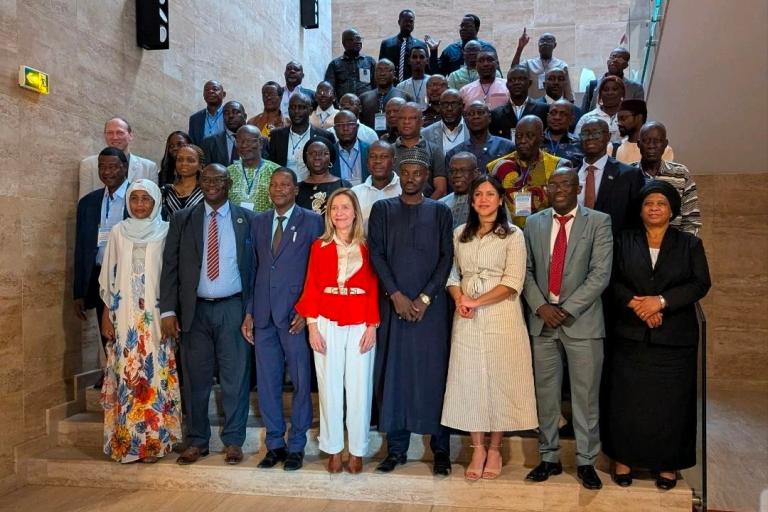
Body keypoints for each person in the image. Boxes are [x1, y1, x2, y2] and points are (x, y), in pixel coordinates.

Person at [602, 180, 710, 490]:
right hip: (630, 334)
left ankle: (668, 463)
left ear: (672, 210)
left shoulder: (689, 244)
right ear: (640, 209)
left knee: (671, 403)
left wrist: (661, 302)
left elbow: (700, 283)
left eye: (661, 204)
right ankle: (623, 458)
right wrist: (638, 305)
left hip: (674, 338)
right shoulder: (625, 240)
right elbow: (612, 279)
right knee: (626, 400)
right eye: (649, 203)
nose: (654, 208)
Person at [442, 175, 538, 480]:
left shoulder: (513, 235)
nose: (483, 200)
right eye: (478, 195)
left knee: (501, 378)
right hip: (466, 314)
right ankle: (478, 447)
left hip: (501, 315)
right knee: (470, 380)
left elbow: (513, 282)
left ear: (500, 199)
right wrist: (460, 299)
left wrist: (476, 302)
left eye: (490, 194)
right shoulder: (460, 234)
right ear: (471, 202)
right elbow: (452, 275)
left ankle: (495, 448)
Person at [522, 168, 613, 490]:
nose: (559, 189)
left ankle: (587, 461)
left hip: (582, 323)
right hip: (543, 322)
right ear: (546, 189)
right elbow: (526, 270)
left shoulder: (599, 222)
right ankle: (549, 458)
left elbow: (600, 275)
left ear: (578, 188)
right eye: (553, 184)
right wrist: (541, 306)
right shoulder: (533, 223)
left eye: (566, 184)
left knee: (585, 396)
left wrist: (566, 309)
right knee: (545, 395)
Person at [160, 163, 256, 466]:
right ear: (199, 182)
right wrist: (168, 310)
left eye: (218, 179)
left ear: (229, 183)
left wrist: (251, 310)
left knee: (235, 377)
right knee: (196, 379)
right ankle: (198, 441)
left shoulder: (247, 219)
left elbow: (254, 269)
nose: (212, 183)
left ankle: (233, 441)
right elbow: (171, 267)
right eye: (206, 179)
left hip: (233, 307)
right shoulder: (182, 219)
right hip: (194, 310)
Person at [368, 147, 454, 476]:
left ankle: (441, 450)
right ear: (398, 175)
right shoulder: (382, 210)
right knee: (396, 376)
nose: (411, 178)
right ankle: (397, 449)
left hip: (430, 313)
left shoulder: (440, 212)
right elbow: (376, 254)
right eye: (406, 173)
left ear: (427, 178)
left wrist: (425, 298)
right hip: (394, 309)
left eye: (418, 173)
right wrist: (396, 295)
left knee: (434, 376)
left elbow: (447, 258)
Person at [241, 168, 324, 472]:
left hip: (296, 316)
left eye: (284, 185)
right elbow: (256, 269)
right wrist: (249, 310)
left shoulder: (313, 221)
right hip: (263, 315)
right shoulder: (259, 222)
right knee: (267, 383)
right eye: (274, 185)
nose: (278, 189)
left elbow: (319, 271)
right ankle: (275, 443)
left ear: (295, 189)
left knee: (302, 383)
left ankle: (297, 445)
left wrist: (307, 309)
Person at [295, 189, 380, 474]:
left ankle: (357, 449)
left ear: (355, 211)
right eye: (334, 208)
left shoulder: (368, 246)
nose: (340, 213)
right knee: (329, 385)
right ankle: (333, 448)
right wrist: (312, 327)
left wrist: (372, 325)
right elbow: (312, 286)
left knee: (359, 387)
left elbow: (373, 288)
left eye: (345, 207)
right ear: (329, 214)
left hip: (359, 320)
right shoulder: (319, 246)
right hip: (326, 319)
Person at [99, 179, 182, 463]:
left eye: (145, 199)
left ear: (156, 201)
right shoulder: (118, 232)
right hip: (125, 319)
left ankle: (155, 444)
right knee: (127, 374)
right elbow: (108, 278)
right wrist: (106, 315)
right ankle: (128, 444)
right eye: (134, 199)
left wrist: (173, 314)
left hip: (156, 319)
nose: (139, 205)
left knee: (155, 374)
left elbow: (172, 276)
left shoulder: (166, 230)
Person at [74, 148, 130, 385]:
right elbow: (81, 248)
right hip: (99, 275)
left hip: (130, 274)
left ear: (125, 168)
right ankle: (112, 374)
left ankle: (130, 375)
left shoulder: (138, 197)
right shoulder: (88, 203)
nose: (107, 172)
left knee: (129, 328)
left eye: (113, 166)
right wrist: (78, 291)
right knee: (104, 329)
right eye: (102, 167)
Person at [487, 116, 571, 227]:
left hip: (546, 232)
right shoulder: (497, 167)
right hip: (507, 234)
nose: (522, 141)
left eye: (529, 136)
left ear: (542, 138)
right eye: (519, 136)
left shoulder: (558, 166)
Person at [577, 117, 645, 236]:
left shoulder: (629, 175)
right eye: (585, 134)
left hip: (613, 246)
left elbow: (637, 219)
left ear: (608, 137)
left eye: (596, 133)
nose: (590, 137)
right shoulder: (570, 174)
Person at [633, 122, 700, 235]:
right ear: (639, 144)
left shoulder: (681, 173)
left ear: (665, 144)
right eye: (646, 141)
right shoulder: (628, 174)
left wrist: (682, 248)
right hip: (635, 245)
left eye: (657, 141)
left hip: (674, 246)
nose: (651, 146)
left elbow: (691, 220)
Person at [79, 117, 158, 199]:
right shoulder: (88, 165)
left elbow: (154, 203)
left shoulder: (149, 168)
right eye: (110, 133)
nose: (115, 137)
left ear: (130, 136)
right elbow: (84, 203)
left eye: (120, 132)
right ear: (105, 136)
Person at [268, 93, 336, 182]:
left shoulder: (325, 136)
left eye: (301, 107)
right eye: (293, 107)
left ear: (310, 110)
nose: (296, 111)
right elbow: (271, 166)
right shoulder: (276, 135)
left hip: (314, 187)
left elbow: (332, 167)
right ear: (288, 110)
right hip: (284, 189)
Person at [394, 102, 448, 199]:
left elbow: (441, 189)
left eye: (412, 118)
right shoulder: (388, 151)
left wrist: (425, 207)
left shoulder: (434, 150)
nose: (406, 122)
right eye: (402, 118)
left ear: (422, 122)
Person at [446, 101, 515, 174]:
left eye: (480, 113)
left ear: (489, 118)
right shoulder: (454, 153)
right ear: (465, 120)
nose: (476, 116)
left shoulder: (508, 147)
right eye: (471, 114)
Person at [227, 125, 280, 212]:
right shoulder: (228, 172)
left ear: (261, 143)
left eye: (249, 141)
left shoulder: (276, 172)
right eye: (239, 141)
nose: (244, 145)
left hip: (265, 224)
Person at [425, 14, 498, 77]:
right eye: (461, 26)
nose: (463, 29)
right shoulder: (451, 49)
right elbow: (438, 75)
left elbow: (497, 75)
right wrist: (433, 52)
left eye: (467, 26)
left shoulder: (488, 49)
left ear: (477, 29)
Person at [351, 140, 402, 228]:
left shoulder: (405, 189)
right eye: (373, 156)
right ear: (367, 161)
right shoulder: (355, 193)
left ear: (394, 161)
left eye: (384, 156)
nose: (378, 161)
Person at [490, 65, 549, 141]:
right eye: (512, 80)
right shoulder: (496, 113)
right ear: (507, 85)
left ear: (529, 83)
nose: (516, 83)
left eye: (521, 79)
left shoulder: (543, 109)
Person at [512, 30, 574, 102]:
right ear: (538, 44)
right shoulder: (528, 64)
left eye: (549, 40)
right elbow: (514, 71)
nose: (545, 43)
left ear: (555, 45)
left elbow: (568, 92)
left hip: (555, 108)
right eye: (542, 41)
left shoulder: (562, 66)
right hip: (534, 107)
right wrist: (520, 48)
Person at [582, 47, 645, 112]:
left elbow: (639, 116)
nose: (615, 60)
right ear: (607, 61)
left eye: (620, 59)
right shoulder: (593, 86)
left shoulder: (635, 89)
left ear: (625, 65)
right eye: (612, 57)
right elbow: (584, 113)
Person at [297, 140, 351, 216]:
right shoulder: (296, 189)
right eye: (312, 153)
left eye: (323, 153)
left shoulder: (343, 185)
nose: (317, 157)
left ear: (330, 158)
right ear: (306, 157)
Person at [359, 60, 414, 133]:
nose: (382, 73)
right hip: (370, 141)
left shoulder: (405, 97)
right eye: (379, 70)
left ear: (394, 74)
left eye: (387, 70)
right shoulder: (363, 98)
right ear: (374, 73)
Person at [378, 9, 428, 83]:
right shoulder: (387, 44)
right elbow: (381, 67)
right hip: (391, 86)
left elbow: (427, 69)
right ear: (399, 22)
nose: (408, 24)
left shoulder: (421, 45)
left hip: (413, 85)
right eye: (405, 21)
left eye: (411, 21)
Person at [325, 29, 377, 98]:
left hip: (367, 105)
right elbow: (329, 88)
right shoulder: (334, 64)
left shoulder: (370, 61)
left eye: (359, 39)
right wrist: (337, 105)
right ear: (344, 43)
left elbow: (376, 86)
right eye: (355, 39)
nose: (359, 42)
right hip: (344, 106)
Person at [575, 76, 625, 143]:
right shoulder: (586, 118)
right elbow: (576, 143)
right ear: (600, 94)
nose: (610, 93)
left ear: (622, 93)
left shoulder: (629, 118)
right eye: (606, 90)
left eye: (615, 89)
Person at [161, 144, 205, 220]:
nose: (184, 163)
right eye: (180, 159)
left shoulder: (207, 192)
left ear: (200, 166)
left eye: (190, 160)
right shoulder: (165, 191)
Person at [421, 89, 468, 159]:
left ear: (463, 106)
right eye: (445, 104)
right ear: (439, 107)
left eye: (454, 104)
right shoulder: (425, 134)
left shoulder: (471, 129)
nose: (449, 108)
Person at [201, 100, 247, 167]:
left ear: (245, 116)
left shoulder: (258, 141)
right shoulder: (209, 142)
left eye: (235, 112)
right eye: (226, 113)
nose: (230, 116)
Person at [440, 152, 479, 228]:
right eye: (452, 171)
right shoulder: (441, 205)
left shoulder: (487, 204)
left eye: (463, 170)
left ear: (476, 173)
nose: (457, 175)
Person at [331, 110, 369, 186]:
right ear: (335, 129)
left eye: (350, 124)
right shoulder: (329, 153)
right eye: (340, 125)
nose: (345, 128)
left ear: (357, 127)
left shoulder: (369, 150)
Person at [541, 99, 583, 166]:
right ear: (547, 116)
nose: (557, 117)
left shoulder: (580, 145)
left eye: (563, 114)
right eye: (553, 113)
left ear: (571, 120)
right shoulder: (536, 141)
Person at [188, 80, 226, 146]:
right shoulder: (195, 119)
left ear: (224, 94)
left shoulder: (230, 115)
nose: (210, 91)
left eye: (215, 89)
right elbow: (192, 144)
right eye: (207, 90)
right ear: (203, 95)